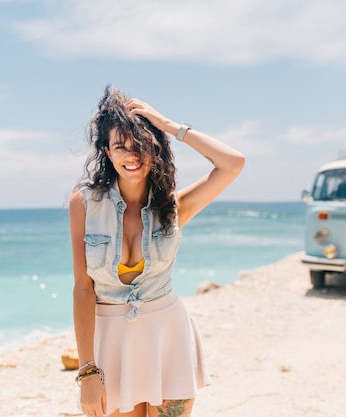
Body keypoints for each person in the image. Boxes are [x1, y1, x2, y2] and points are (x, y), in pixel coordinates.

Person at [68, 86, 245, 417]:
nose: (132, 156)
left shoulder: (174, 207)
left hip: (168, 340)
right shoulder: (84, 205)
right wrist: (87, 371)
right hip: (111, 344)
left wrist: (169, 126)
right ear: (106, 150)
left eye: (141, 146)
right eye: (121, 146)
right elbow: (82, 288)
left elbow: (233, 163)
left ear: (156, 148)